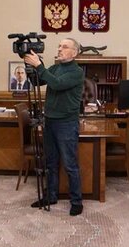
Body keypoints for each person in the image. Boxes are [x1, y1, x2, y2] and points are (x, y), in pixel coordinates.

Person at [24, 38, 84, 215]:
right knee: (50, 163)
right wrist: (31, 65)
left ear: (74, 53)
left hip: (66, 123)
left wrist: (39, 66)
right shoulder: (55, 68)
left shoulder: (76, 72)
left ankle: (76, 202)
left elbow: (57, 84)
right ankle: (51, 196)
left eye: (64, 47)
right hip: (49, 121)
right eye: (59, 46)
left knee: (70, 164)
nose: (59, 49)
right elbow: (37, 82)